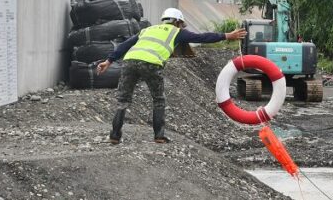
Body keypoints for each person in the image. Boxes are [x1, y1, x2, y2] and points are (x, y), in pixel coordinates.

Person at [97, 8, 246, 144]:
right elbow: (202, 38)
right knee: (158, 100)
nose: (182, 27)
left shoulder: (148, 30)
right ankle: (159, 136)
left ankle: (114, 136)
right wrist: (227, 35)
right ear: (177, 21)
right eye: (181, 24)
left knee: (123, 100)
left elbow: (125, 44)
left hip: (129, 61)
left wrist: (108, 61)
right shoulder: (176, 31)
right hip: (151, 63)